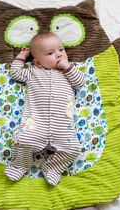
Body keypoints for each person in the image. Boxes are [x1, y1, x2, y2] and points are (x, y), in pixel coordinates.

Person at [5, 32, 85, 185]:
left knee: (74, 149)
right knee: (22, 140)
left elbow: (80, 82)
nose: (59, 55)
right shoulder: (33, 73)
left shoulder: (68, 72)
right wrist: (22, 56)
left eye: (61, 49)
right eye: (50, 53)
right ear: (38, 62)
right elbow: (15, 72)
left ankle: (53, 168)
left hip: (63, 126)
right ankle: (21, 164)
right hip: (36, 123)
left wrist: (68, 67)